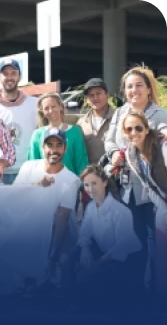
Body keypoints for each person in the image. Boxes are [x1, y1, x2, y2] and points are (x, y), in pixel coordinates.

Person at [104, 67, 167, 294]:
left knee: (154, 238)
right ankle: (137, 284)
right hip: (126, 185)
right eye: (129, 86)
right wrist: (114, 154)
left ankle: (154, 285)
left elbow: (163, 133)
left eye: (139, 85)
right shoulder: (120, 114)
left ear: (149, 89)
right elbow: (109, 141)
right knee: (133, 236)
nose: (134, 90)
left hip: (152, 188)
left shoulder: (159, 114)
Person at [61, 165, 142, 313]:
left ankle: (102, 307)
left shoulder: (120, 211)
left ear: (104, 182)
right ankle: (74, 302)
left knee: (85, 276)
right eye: (86, 185)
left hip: (124, 262)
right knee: (71, 255)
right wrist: (85, 249)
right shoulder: (91, 207)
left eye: (94, 183)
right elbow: (84, 233)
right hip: (105, 255)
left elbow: (121, 249)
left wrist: (95, 263)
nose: (90, 189)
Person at [15, 128, 81, 279]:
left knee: (63, 263)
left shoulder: (71, 180)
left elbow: (62, 219)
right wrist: (35, 185)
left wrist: (51, 257)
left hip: (55, 232)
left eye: (59, 145)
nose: (54, 150)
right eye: (49, 145)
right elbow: (13, 197)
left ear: (65, 148)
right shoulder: (28, 167)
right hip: (27, 228)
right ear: (42, 148)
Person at [120, 110, 167, 296]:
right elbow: (149, 186)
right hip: (162, 204)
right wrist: (164, 212)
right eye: (129, 129)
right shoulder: (132, 155)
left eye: (138, 128)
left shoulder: (162, 147)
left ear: (147, 129)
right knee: (161, 254)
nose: (134, 132)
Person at [0, 58, 37, 184]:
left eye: (13, 73)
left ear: (20, 77)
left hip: (27, 171)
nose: (10, 77)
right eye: (5, 74)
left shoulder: (34, 104)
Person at [28, 92, 88, 177]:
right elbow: (33, 164)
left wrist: (82, 185)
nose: (51, 111)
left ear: (61, 107)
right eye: (46, 108)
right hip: (44, 185)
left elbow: (81, 162)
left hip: (70, 185)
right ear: (42, 112)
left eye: (53, 106)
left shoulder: (75, 132)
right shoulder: (37, 135)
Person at [77, 78, 114, 164]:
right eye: (91, 95)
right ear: (87, 100)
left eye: (98, 93)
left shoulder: (119, 117)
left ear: (107, 95)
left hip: (115, 173)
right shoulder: (81, 123)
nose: (95, 98)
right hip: (92, 174)